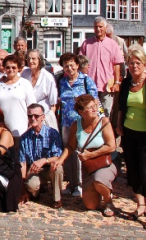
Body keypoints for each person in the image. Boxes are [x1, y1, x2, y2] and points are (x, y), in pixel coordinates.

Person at [116, 48, 146, 231]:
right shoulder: (127, 82)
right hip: (130, 133)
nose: (134, 66)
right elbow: (122, 106)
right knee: (133, 171)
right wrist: (119, 124)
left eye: (138, 62)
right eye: (131, 63)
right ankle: (140, 206)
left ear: (145, 65)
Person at [53, 94, 118, 216]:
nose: (95, 109)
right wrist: (61, 159)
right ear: (81, 112)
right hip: (88, 167)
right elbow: (71, 146)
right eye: (90, 108)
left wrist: (91, 154)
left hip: (104, 164)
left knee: (99, 180)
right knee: (90, 205)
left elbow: (111, 146)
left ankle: (108, 200)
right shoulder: (76, 125)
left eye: (95, 106)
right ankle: (97, 189)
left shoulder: (104, 122)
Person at [57, 52, 98, 196]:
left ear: (77, 65)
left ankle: (81, 184)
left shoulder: (86, 81)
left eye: (71, 65)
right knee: (68, 152)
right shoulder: (62, 82)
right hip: (66, 123)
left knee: (80, 152)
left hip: (82, 122)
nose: (69, 68)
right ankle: (71, 183)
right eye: (66, 66)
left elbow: (95, 101)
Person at [19, 103, 64, 208]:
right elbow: (22, 162)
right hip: (34, 170)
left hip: (49, 167)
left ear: (43, 117)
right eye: (30, 116)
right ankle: (36, 191)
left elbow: (58, 156)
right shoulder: (24, 138)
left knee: (58, 168)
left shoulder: (52, 134)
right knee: (31, 185)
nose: (33, 118)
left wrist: (44, 160)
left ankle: (57, 199)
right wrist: (22, 185)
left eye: (36, 116)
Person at [79, 17, 124, 119]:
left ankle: (103, 133)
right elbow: (80, 63)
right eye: (96, 27)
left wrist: (117, 83)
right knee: (89, 110)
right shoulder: (87, 43)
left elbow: (117, 64)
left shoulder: (112, 44)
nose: (98, 29)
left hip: (106, 85)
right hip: (89, 84)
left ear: (106, 27)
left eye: (100, 27)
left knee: (105, 111)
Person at [0, 54, 37, 138]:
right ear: (4, 68)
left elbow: (32, 106)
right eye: (8, 67)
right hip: (2, 128)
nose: (10, 70)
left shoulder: (25, 83)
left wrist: (31, 124)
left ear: (18, 68)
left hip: (20, 129)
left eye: (13, 67)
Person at [21, 49, 58, 130]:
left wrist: (48, 119)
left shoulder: (48, 77)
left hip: (43, 118)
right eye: (28, 58)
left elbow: (53, 104)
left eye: (33, 59)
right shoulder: (24, 74)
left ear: (40, 60)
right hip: (27, 116)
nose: (30, 61)